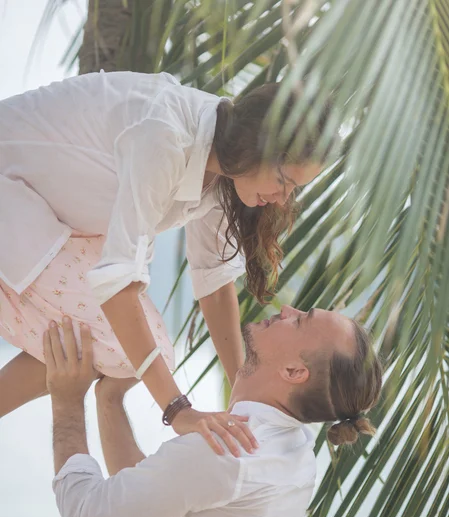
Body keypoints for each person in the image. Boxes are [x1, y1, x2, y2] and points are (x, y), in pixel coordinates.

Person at [0, 71, 328, 454]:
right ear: (257, 146)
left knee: (129, 351)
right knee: (123, 348)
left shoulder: (221, 163)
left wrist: (243, 395)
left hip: (44, 215)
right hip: (13, 195)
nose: (282, 200)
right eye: (284, 181)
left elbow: (213, 283)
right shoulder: (167, 137)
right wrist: (179, 410)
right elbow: (116, 285)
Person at [47, 305, 382, 517]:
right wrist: (110, 400)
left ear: (294, 372)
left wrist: (66, 399)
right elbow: (152, 498)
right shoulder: (294, 446)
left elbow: (86, 516)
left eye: (299, 322)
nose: (286, 309)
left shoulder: (230, 451)